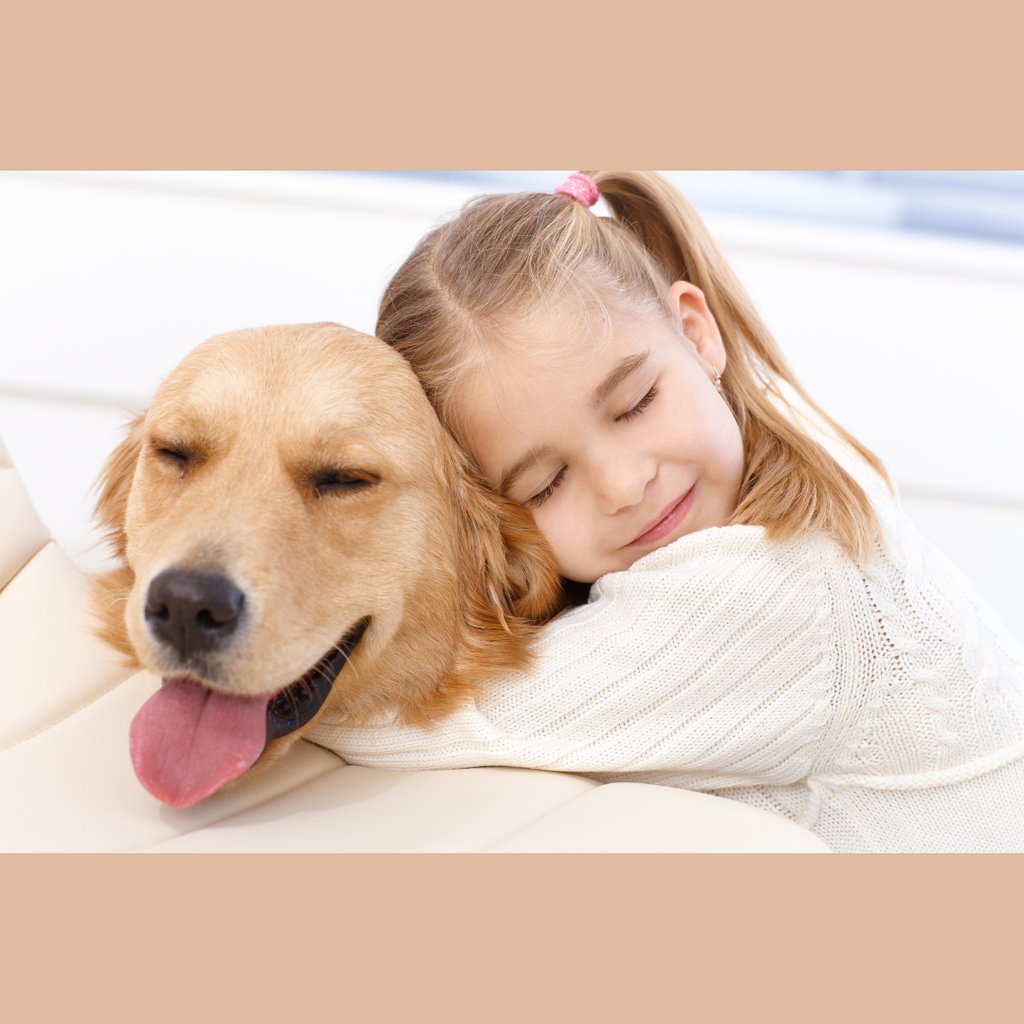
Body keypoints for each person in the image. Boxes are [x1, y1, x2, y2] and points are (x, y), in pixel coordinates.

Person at [308, 171, 1024, 852]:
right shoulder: (784, 444)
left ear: (697, 333)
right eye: (547, 484)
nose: (623, 485)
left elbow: (446, 718)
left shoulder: (776, 588)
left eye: (636, 404)